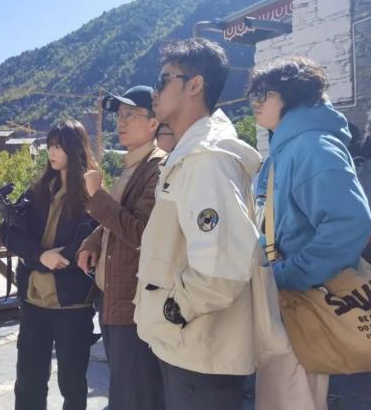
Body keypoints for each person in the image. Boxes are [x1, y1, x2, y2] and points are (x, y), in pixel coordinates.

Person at [133, 38, 262, 410]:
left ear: (194, 85)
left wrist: (173, 311)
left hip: (199, 349)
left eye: (163, 80)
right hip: (189, 345)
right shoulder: (192, 154)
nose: (155, 91)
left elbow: (223, 267)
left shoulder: (207, 159)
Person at [250, 56, 371, 410]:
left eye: (263, 93)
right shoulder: (288, 148)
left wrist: (287, 274)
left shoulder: (312, 145)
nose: (255, 102)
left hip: (303, 302)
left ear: (292, 95)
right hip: (288, 303)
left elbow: (350, 222)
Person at [77, 85, 167, 410]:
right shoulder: (133, 166)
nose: (121, 121)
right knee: (124, 391)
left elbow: (141, 231)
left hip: (133, 305)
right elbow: (116, 221)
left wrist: (97, 196)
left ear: (153, 123)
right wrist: (93, 239)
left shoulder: (158, 169)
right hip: (113, 299)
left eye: (131, 114)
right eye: (120, 114)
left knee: (135, 395)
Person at [1, 120, 98, 410]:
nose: (52, 153)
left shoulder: (90, 191)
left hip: (73, 303)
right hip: (34, 301)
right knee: (28, 382)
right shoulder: (39, 189)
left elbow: (84, 243)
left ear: (74, 149)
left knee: (72, 383)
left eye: (59, 146)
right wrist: (40, 256)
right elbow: (9, 231)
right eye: (50, 146)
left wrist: (48, 258)